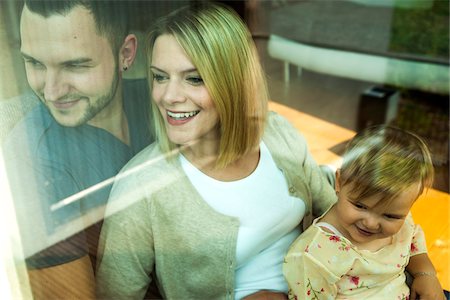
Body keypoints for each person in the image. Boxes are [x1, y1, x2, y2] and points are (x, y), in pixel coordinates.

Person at [96, 3, 336, 299]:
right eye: (159, 77)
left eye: (193, 78)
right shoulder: (140, 188)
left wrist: (412, 268)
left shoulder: (277, 133)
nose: (168, 96)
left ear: (233, 84)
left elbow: (335, 213)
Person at [2, 0, 153, 298]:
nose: (51, 91)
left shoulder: (166, 104)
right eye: (34, 63)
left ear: (125, 53)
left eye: (74, 65)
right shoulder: (29, 166)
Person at [283, 125, 445, 300]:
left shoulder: (402, 220)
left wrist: (426, 275)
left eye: (389, 216)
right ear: (339, 182)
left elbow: (413, 241)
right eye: (360, 206)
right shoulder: (314, 256)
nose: (371, 223)